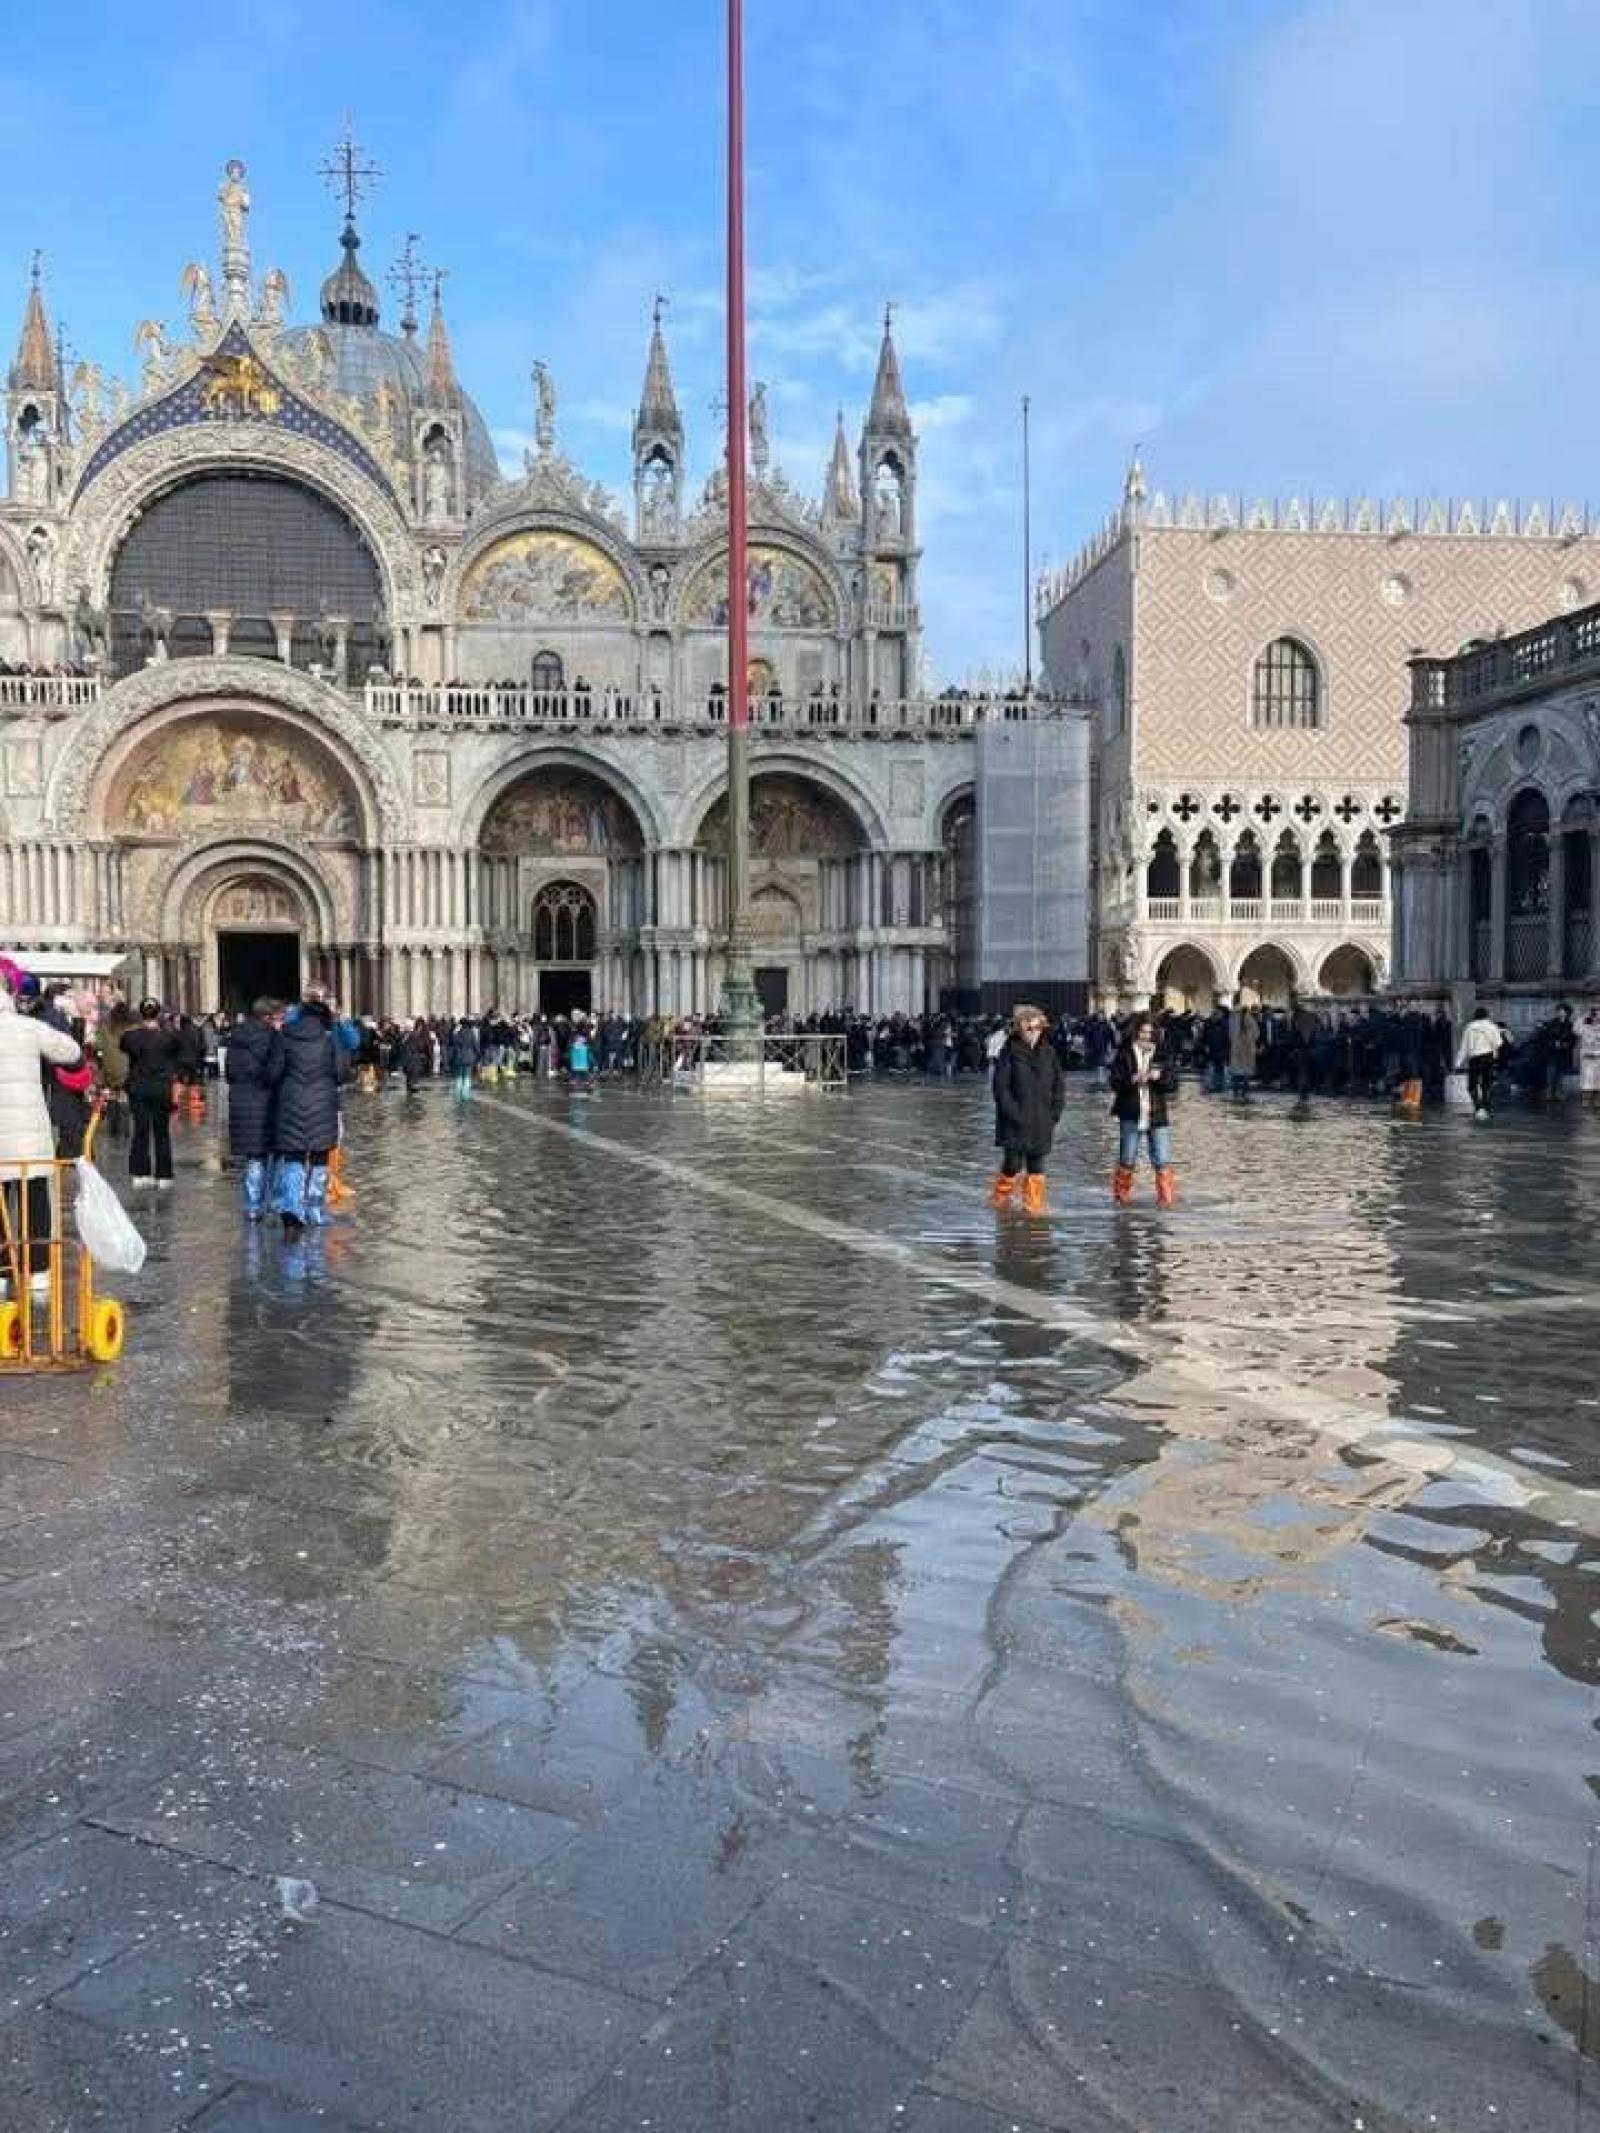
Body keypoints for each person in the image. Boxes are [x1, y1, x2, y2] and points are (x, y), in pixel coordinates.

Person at [0, 960, 82, 1292]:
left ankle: (3, 1275)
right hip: (29, 1137)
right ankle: (38, 1274)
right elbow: (72, 1053)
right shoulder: (28, 1028)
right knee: (35, 1201)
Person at [273, 997, 345, 1231]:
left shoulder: (284, 1037)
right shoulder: (329, 1039)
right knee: (319, 1158)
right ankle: (315, 1210)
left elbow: (274, 1072)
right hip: (323, 1105)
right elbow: (342, 1072)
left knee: (293, 1157)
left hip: (291, 1105)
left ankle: (293, 1209)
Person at [990, 1002, 1065, 1214]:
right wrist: (1014, 1113)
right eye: (1028, 1029)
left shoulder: (1049, 1053)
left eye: (1037, 1028)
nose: (1034, 1033)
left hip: (1042, 1119)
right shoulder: (1009, 1053)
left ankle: (1034, 1208)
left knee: (1037, 1166)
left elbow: (1059, 1086)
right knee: (1012, 1164)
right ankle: (1000, 1200)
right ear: (1019, 1030)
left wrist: (1054, 1114)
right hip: (1015, 1121)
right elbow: (1000, 1088)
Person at [225, 998, 284, 1221]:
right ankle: (275, 1204)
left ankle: (251, 1206)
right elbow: (275, 1072)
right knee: (276, 1154)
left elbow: (229, 1073)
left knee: (254, 1156)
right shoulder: (274, 1038)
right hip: (268, 1102)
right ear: (269, 1018)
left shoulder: (235, 1037)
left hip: (241, 1102)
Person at [1109, 1012, 1177, 1207]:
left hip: (1157, 1115)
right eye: (1142, 1032)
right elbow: (1114, 1083)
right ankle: (1121, 1200)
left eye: (1150, 1032)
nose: (1146, 1036)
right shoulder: (1124, 1054)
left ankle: (1166, 1201)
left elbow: (1173, 1084)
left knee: (1162, 1160)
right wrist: (1132, 1079)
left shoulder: (1162, 1054)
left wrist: (1159, 1077)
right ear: (1135, 1033)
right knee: (1127, 1159)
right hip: (1130, 1113)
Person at [121, 999, 180, 1188]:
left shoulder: (130, 1037)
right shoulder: (170, 1038)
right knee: (162, 1132)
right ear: (158, 1014)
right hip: (161, 1088)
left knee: (140, 1131)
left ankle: (140, 1173)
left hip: (138, 1088)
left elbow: (123, 1047)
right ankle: (164, 1175)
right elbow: (178, 1052)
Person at [1455, 1003, 1503, 1121]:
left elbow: (1464, 1047)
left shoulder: (1469, 1027)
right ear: (1486, 1015)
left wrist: (1457, 1063)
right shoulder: (1492, 1026)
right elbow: (1498, 1043)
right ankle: (1486, 1107)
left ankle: (1478, 1107)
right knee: (1486, 1084)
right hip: (1488, 1057)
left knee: (1472, 1085)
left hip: (1474, 1058)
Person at [1580, 1006, 1600, 1106]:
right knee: (1587, 1080)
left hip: (1598, 1058)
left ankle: (1597, 1100)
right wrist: (1585, 1015)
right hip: (1587, 1058)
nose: (1596, 1017)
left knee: (1598, 1079)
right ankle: (1586, 1099)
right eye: (1594, 1014)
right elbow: (1576, 1029)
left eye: (1598, 1015)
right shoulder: (1584, 1026)